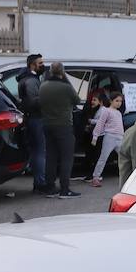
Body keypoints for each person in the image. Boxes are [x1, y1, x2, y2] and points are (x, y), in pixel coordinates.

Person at [38, 62, 82, 199]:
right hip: (63, 125)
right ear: (62, 72)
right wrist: (66, 79)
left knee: (51, 157)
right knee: (66, 158)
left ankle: (50, 188)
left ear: (50, 71)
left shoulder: (43, 86)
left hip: (47, 125)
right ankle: (65, 189)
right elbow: (77, 100)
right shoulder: (66, 88)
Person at [17, 53, 50, 194]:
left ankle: (39, 182)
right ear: (32, 65)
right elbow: (34, 101)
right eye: (40, 63)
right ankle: (40, 184)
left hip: (32, 118)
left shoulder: (29, 79)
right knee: (40, 152)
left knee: (37, 151)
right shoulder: (31, 81)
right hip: (36, 119)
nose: (43, 65)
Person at [84, 92, 125, 187]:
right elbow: (100, 123)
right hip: (109, 136)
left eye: (120, 101)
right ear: (111, 101)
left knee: (124, 156)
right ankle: (95, 177)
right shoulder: (106, 111)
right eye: (117, 101)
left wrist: (123, 136)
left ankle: (128, 174)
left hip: (119, 137)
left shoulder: (118, 113)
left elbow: (120, 126)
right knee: (103, 157)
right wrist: (95, 136)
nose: (119, 103)